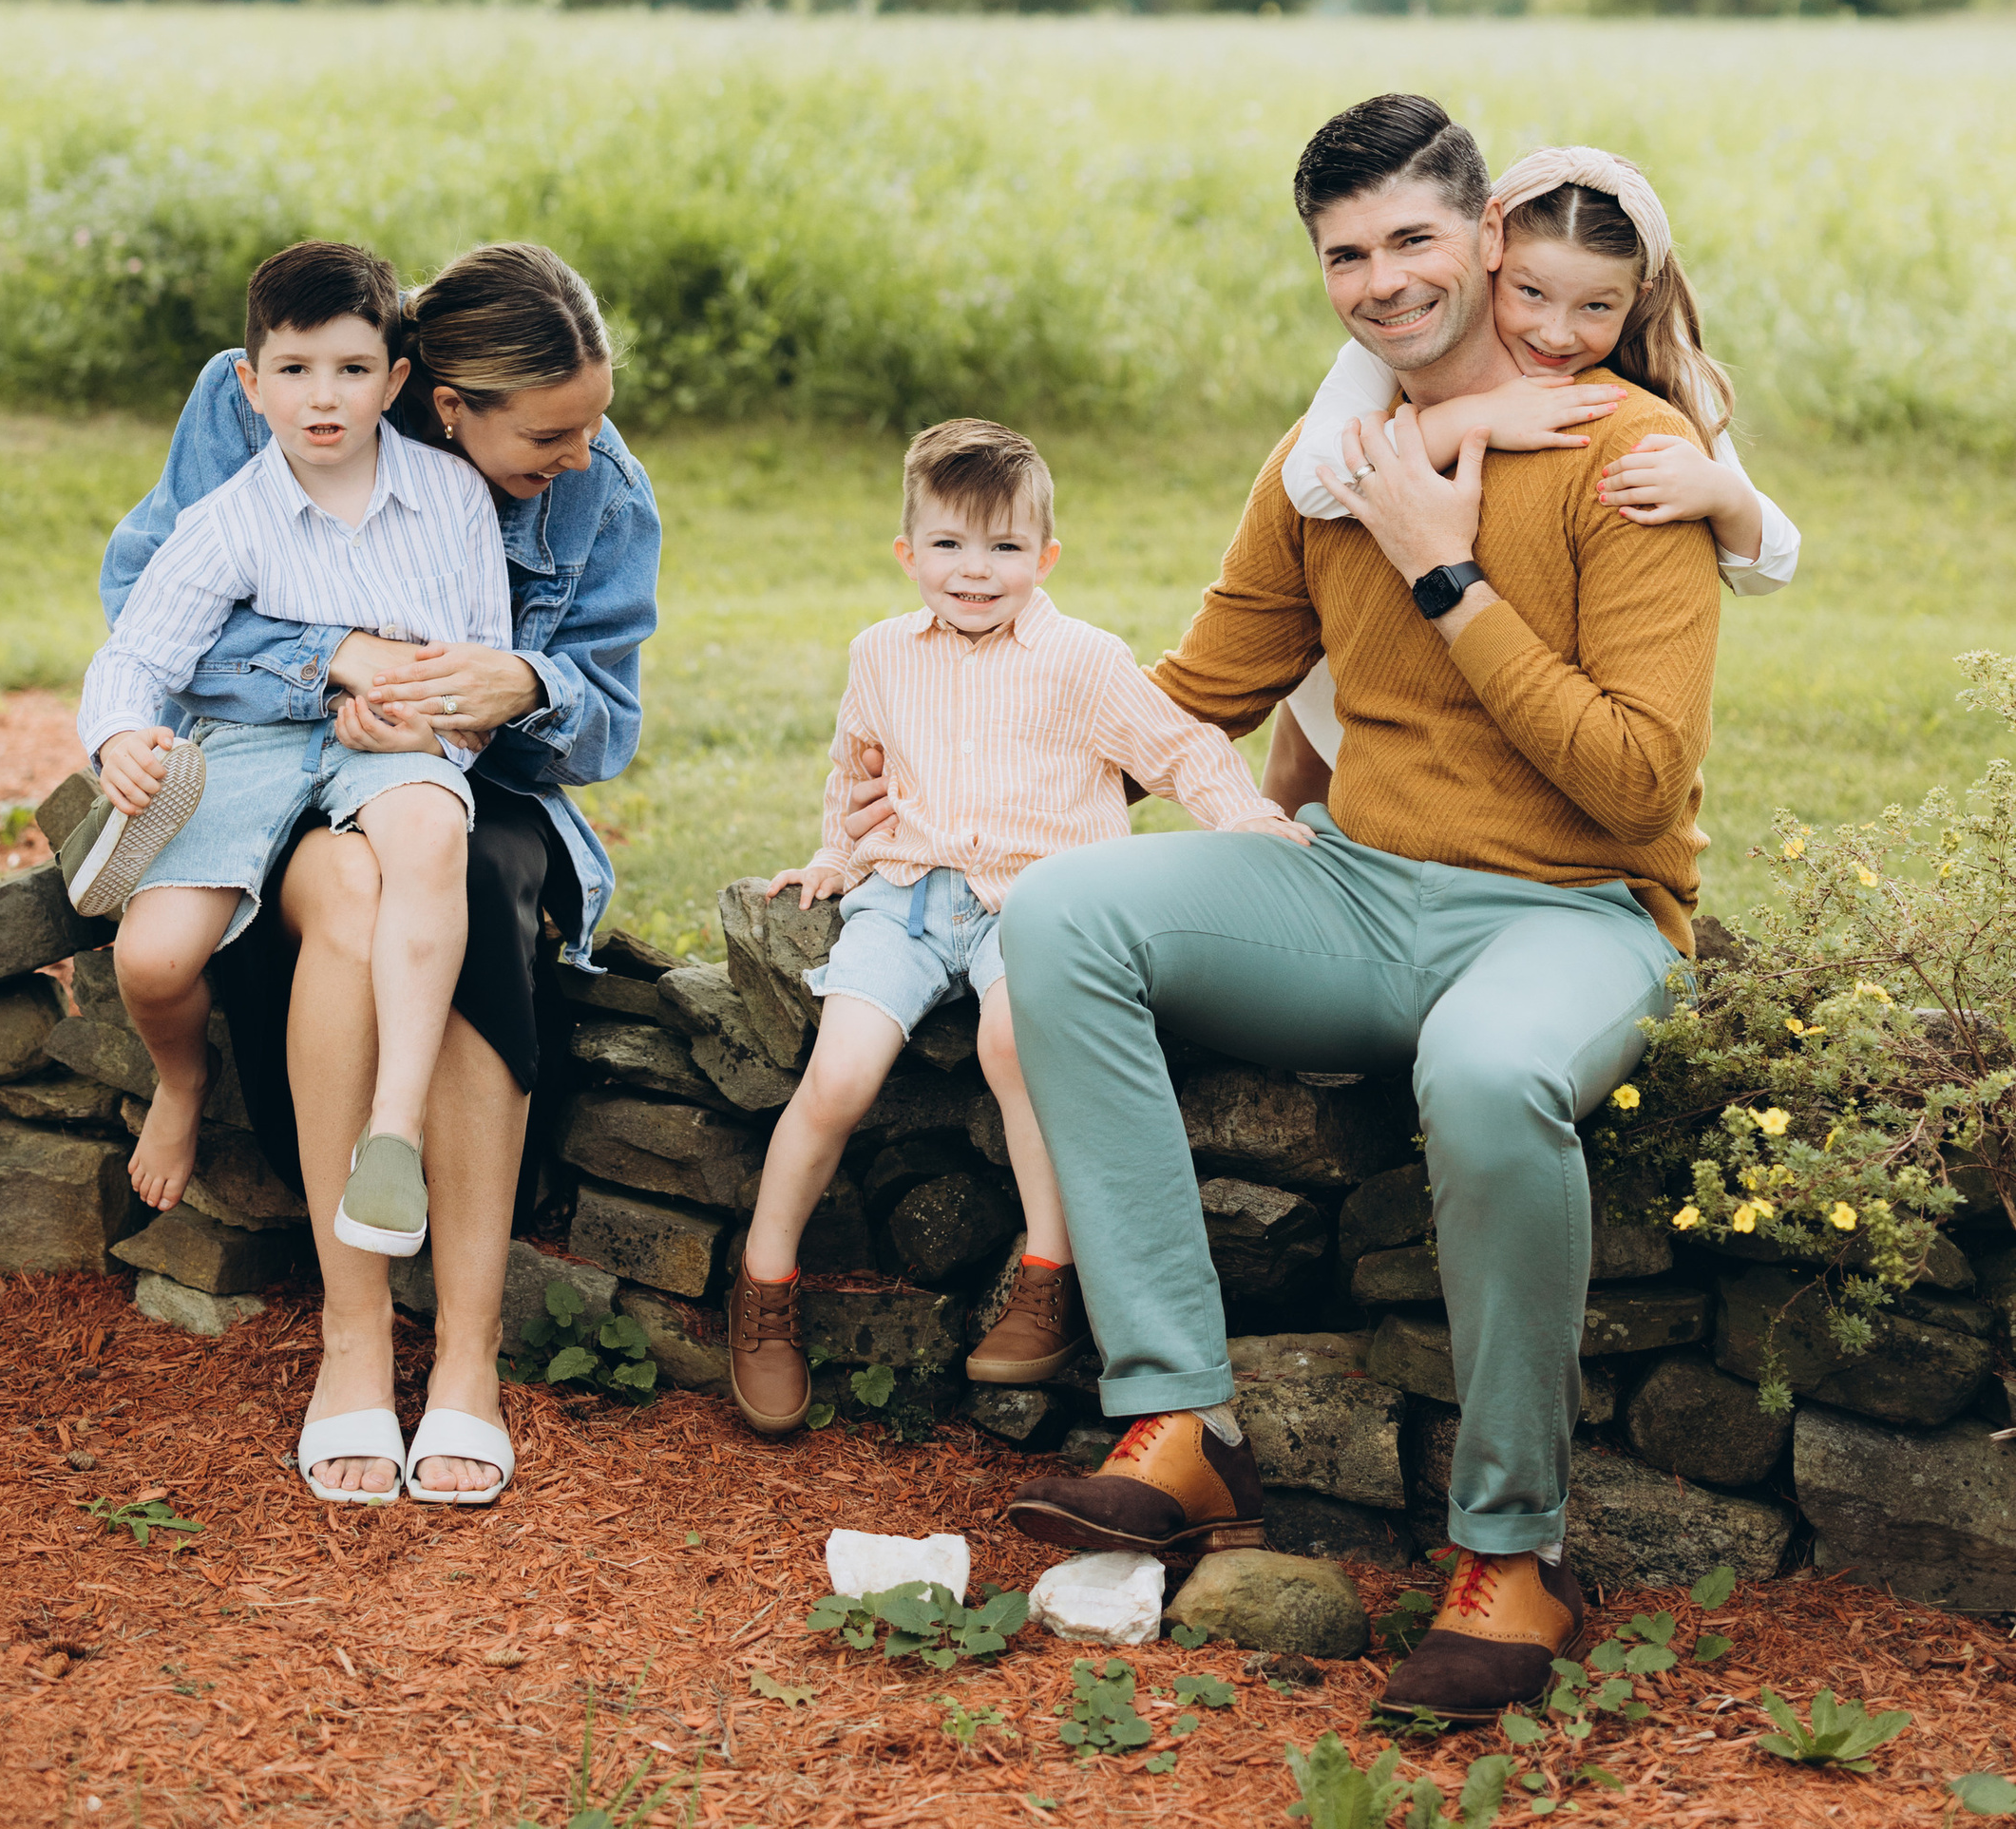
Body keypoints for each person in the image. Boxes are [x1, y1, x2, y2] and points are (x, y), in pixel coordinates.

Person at [998, 94, 1723, 1725]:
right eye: (1346, 254)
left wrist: (1447, 574)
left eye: (1414, 240)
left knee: (1483, 1078)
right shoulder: (1323, 469)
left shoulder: (1634, 465)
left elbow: (1635, 786)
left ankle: (1511, 1554)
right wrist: (929, 820)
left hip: (1575, 913)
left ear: (1489, 236)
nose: (1384, 281)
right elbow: (1197, 689)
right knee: (1059, 922)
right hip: (1358, 895)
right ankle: (1183, 1428)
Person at [101, 239, 656, 1515]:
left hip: (474, 785)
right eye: (551, 437)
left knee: (469, 890)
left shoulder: (598, 484)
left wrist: (524, 685)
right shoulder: (273, 394)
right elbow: (151, 613)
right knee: (348, 898)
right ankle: (353, 1336)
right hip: (265, 768)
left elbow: (609, 717)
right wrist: (337, 659)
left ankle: (467, 1354)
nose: (581, 456)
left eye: (592, 427)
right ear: (448, 405)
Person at [725, 417, 1306, 1438]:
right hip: (907, 896)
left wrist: (1249, 821)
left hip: (1034, 900)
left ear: (1044, 557)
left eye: (1003, 548)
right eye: (948, 545)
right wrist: (830, 858)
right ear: (908, 553)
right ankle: (764, 1283)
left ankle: (1048, 1274)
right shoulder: (881, 653)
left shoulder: (1083, 660)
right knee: (842, 1073)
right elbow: (854, 770)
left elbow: (1180, 751)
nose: (975, 571)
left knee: (1014, 1044)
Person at [70, 237, 509, 1259]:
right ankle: (183, 1081)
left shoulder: (450, 500)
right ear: (250, 383)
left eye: (354, 371)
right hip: (256, 737)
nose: (325, 398)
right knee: (153, 959)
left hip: (392, 730)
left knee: (428, 831)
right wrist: (120, 735)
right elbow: (138, 653)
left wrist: (431, 734)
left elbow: (480, 670)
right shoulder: (228, 521)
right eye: (295, 371)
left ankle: (391, 1132)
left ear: (394, 381)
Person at [1265, 140, 1800, 811]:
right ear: (1490, 252)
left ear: (1638, 298)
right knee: (1310, 708)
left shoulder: (1656, 387)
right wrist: (1474, 416)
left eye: (1595, 308)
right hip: (1367, 658)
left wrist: (1725, 496)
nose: (1556, 333)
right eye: (1530, 293)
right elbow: (1313, 483)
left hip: (1510, 697)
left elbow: (1776, 563)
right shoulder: (1394, 346)